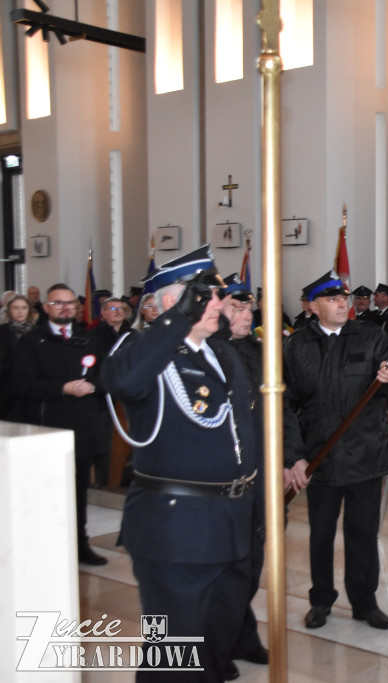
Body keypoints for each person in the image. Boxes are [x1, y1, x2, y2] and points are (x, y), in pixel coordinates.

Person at [102, 246, 260, 681]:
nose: (220, 303)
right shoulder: (145, 351)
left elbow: (244, 436)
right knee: (173, 653)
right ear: (174, 302)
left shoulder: (223, 353)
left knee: (216, 642)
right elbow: (121, 380)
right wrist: (175, 320)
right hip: (177, 529)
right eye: (207, 295)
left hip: (231, 520)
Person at [283, 271, 388, 631]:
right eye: (333, 299)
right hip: (319, 457)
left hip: (365, 453)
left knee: (363, 533)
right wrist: (294, 456)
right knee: (320, 533)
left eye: (344, 299)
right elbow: (286, 406)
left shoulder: (371, 337)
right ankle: (321, 599)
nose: (342, 304)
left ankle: (365, 603)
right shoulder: (296, 346)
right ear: (313, 305)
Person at [13, 283, 110, 566]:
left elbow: (106, 376)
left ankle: (80, 545)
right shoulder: (32, 341)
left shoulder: (89, 339)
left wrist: (92, 385)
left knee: (79, 491)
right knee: (47, 493)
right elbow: (22, 384)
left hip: (83, 429)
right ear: (46, 307)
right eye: (58, 303)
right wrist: (62, 388)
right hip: (48, 429)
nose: (65, 307)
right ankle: (44, 546)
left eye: (70, 303)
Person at [218, 275, 270, 675]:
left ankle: (241, 632)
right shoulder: (207, 352)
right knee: (227, 562)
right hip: (225, 476)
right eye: (237, 306)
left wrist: (290, 458)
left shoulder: (258, 350)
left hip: (261, 469)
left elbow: (279, 408)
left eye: (249, 307)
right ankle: (221, 641)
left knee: (252, 560)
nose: (246, 313)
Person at [87, 296, 135, 489]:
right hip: (103, 395)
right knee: (106, 439)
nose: (117, 312)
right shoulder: (94, 335)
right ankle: (106, 479)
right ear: (103, 313)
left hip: (128, 394)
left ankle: (128, 477)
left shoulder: (133, 335)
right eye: (112, 309)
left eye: (121, 309)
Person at [0, 294, 37, 419]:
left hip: (32, 385)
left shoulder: (38, 332)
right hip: (6, 386)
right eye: (16, 308)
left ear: (29, 310)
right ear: (9, 310)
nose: (20, 311)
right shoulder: (2, 331)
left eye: (24, 308)